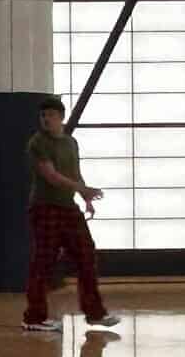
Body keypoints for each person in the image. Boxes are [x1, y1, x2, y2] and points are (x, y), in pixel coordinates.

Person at [22, 99, 119, 335]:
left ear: (61, 117)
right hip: (45, 208)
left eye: (51, 115)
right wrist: (82, 189)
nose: (46, 119)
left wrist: (85, 198)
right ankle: (34, 318)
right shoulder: (38, 143)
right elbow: (52, 176)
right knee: (43, 262)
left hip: (67, 207)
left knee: (86, 255)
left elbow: (75, 173)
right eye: (43, 115)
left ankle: (95, 313)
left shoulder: (70, 143)